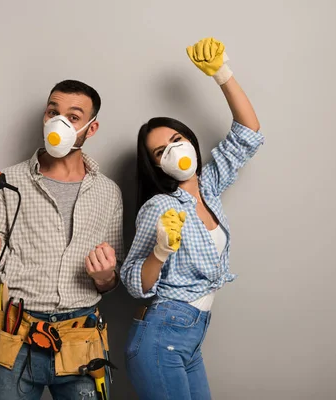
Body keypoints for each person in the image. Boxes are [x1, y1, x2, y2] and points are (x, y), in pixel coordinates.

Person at [120, 37, 263, 400]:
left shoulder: (210, 188)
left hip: (191, 335)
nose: (173, 150)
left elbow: (248, 134)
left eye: (177, 138)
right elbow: (134, 281)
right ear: (155, 164)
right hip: (161, 336)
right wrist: (160, 252)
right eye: (160, 150)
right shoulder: (160, 207)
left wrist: (222, 74)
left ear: (190, 140)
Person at [0, 79, 123, 399]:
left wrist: (105, 277)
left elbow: (110, 280)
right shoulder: (8, 181)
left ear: (91, 129)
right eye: (53, 111)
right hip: (15, 340)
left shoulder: (108, 192)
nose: (59, 122)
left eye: (73, 117)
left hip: (82, 343)